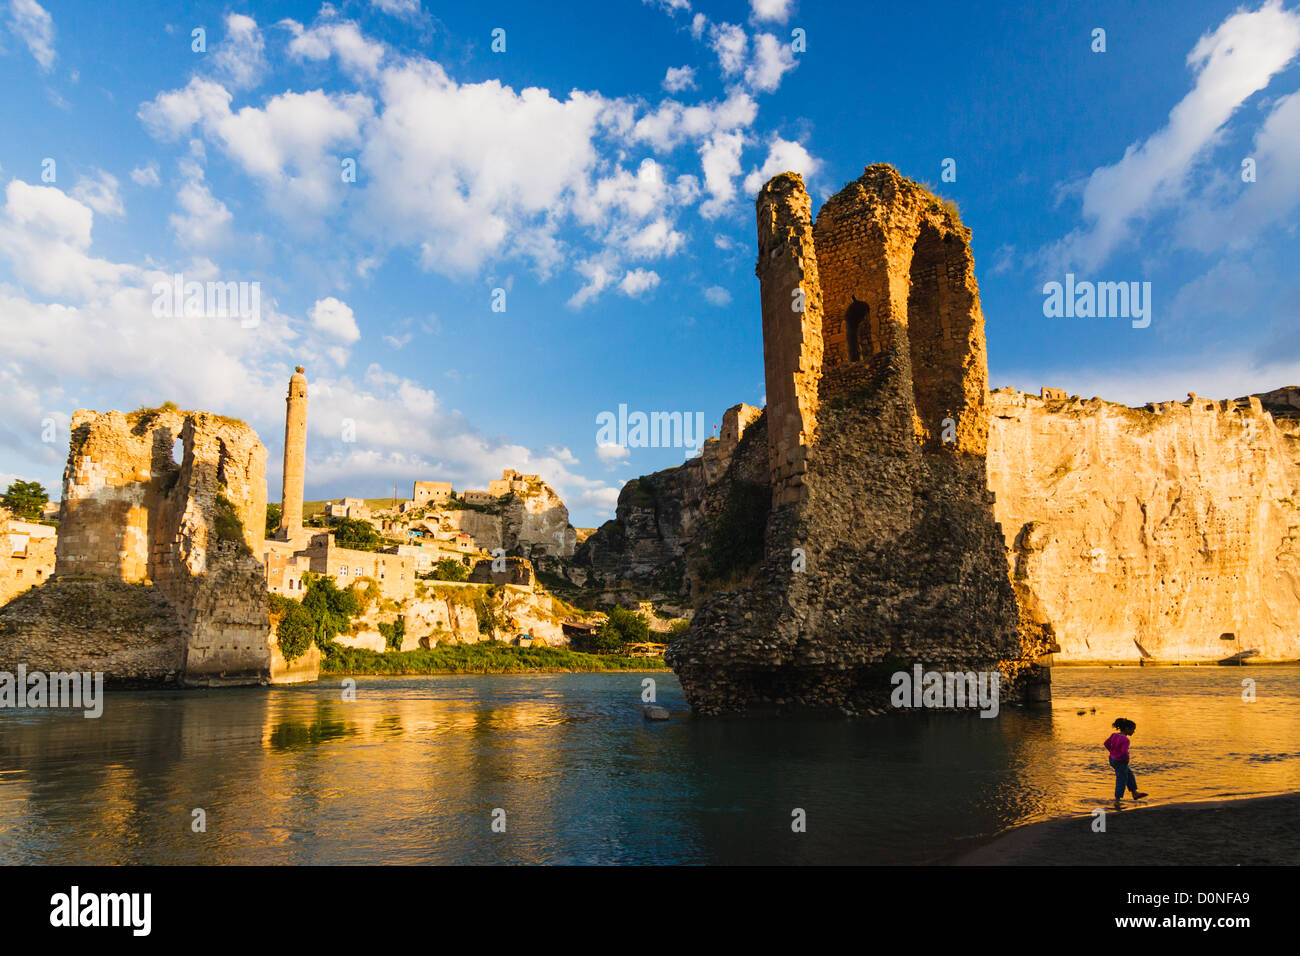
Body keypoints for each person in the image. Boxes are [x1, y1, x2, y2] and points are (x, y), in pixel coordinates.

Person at [1103, 717, 1149, 808]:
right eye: (1133, 730)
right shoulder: (1125, 740)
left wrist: (1112, 752)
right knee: (1121, 779)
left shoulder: (1114, 735)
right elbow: (1124, 752)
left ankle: (1135, 793)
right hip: (1120, 761)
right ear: (1127, 729)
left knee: (1129, 774)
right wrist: (1126, 759)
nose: (1133, 732)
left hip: (1112, 759)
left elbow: (1106, 743)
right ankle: (1117, 801)